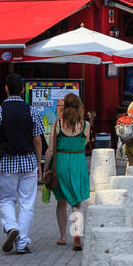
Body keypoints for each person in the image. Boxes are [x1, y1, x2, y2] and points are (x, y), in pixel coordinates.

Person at [0, 75, 45, 254]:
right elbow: (37, 140)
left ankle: (11, 226)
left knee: (7, 199)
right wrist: (39, 163)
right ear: (22, 90)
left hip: (7, 162)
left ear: (6, 89)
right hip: (28, 161)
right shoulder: (32, 111)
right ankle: (22, 243)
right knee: (27, 203)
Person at [45, 92, 90, 251]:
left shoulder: (57, 124)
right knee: (77, 202)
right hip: (78, 162)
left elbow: (50, 150)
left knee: (61, 202)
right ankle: (77, 234)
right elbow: (85, 144)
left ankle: (63, 237)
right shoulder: (85, 125)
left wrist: (45, 169)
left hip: (61, 163)